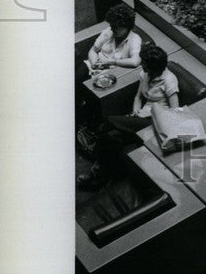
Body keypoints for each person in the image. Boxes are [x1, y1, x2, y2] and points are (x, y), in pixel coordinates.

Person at [77, 43, 180, 188]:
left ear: (153, 66)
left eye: (143, 63)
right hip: (140, 118)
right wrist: (134, 112)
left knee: (108, 122)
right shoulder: (145, 74)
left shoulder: (169, 80)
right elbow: (138, 97)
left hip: (155, 123)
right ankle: (100, 176)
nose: (141, 64)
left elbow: (175, 112)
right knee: (111, 137)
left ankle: (95, 158)